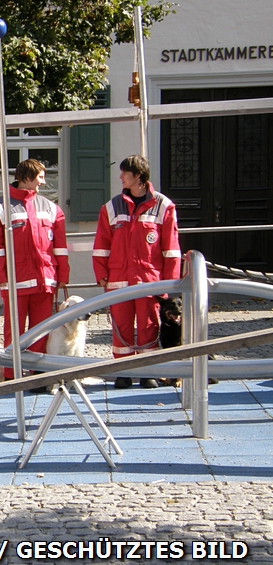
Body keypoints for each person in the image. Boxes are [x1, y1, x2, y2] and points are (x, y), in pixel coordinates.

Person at [92, 155, 182, 389]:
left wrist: (171, 285)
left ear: (138, 176)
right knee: (121, 327)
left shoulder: (164, 206)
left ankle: (147, 372)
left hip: (150, 280)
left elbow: (171, 249)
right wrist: (101, 273)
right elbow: (102, 244)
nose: (120, 177)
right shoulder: (111, 207)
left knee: (148, 326)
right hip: (119, 278)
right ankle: (123, 372)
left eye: (125, 173)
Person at [0, 158, 70, 381]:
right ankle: (11, 374)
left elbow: (59, 247)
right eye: (40, 177)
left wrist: (62, 276)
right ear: (27, 178)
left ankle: (37, 373)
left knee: (40, 330)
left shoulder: (52, 208)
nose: (43, 183)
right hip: (15, 282)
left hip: (45, 280)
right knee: (13, 331)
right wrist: (0, 278)